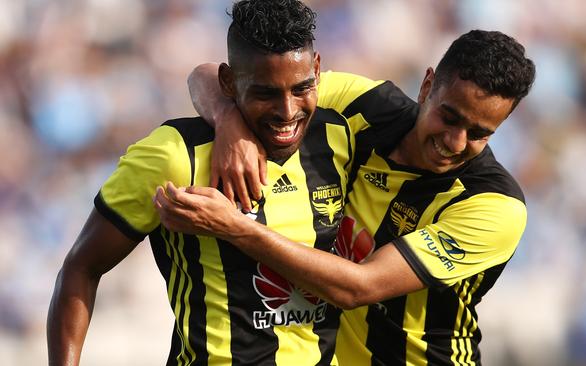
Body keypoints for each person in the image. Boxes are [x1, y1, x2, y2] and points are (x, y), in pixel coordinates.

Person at [46, 0, 416, 364]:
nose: (287, 112)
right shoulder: (175, 155)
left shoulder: (340, 138)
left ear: (317, 70)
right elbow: (81, 267)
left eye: (301, 89)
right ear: (228, 81)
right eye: (265, 93)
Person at [154, 30, 536, 365]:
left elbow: (358, 288)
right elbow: (209, 74)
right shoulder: (365, 105)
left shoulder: (494, 205)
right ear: (427, 86)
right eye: (449, 117)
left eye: (479, 133)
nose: (454, 142)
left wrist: (236, 229)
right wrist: (227, 120)